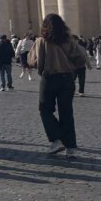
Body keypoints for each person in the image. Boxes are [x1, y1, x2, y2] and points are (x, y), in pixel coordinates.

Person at [29, 14, 86, 158]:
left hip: (49, 78)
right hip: (67, 79)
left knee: (45, 109)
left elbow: (33, 61)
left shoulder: (41, 41)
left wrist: (42, 67)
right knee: (66, 112)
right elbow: (80, 59)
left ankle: (56, 139)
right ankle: (71, 147)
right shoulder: (69, 41)